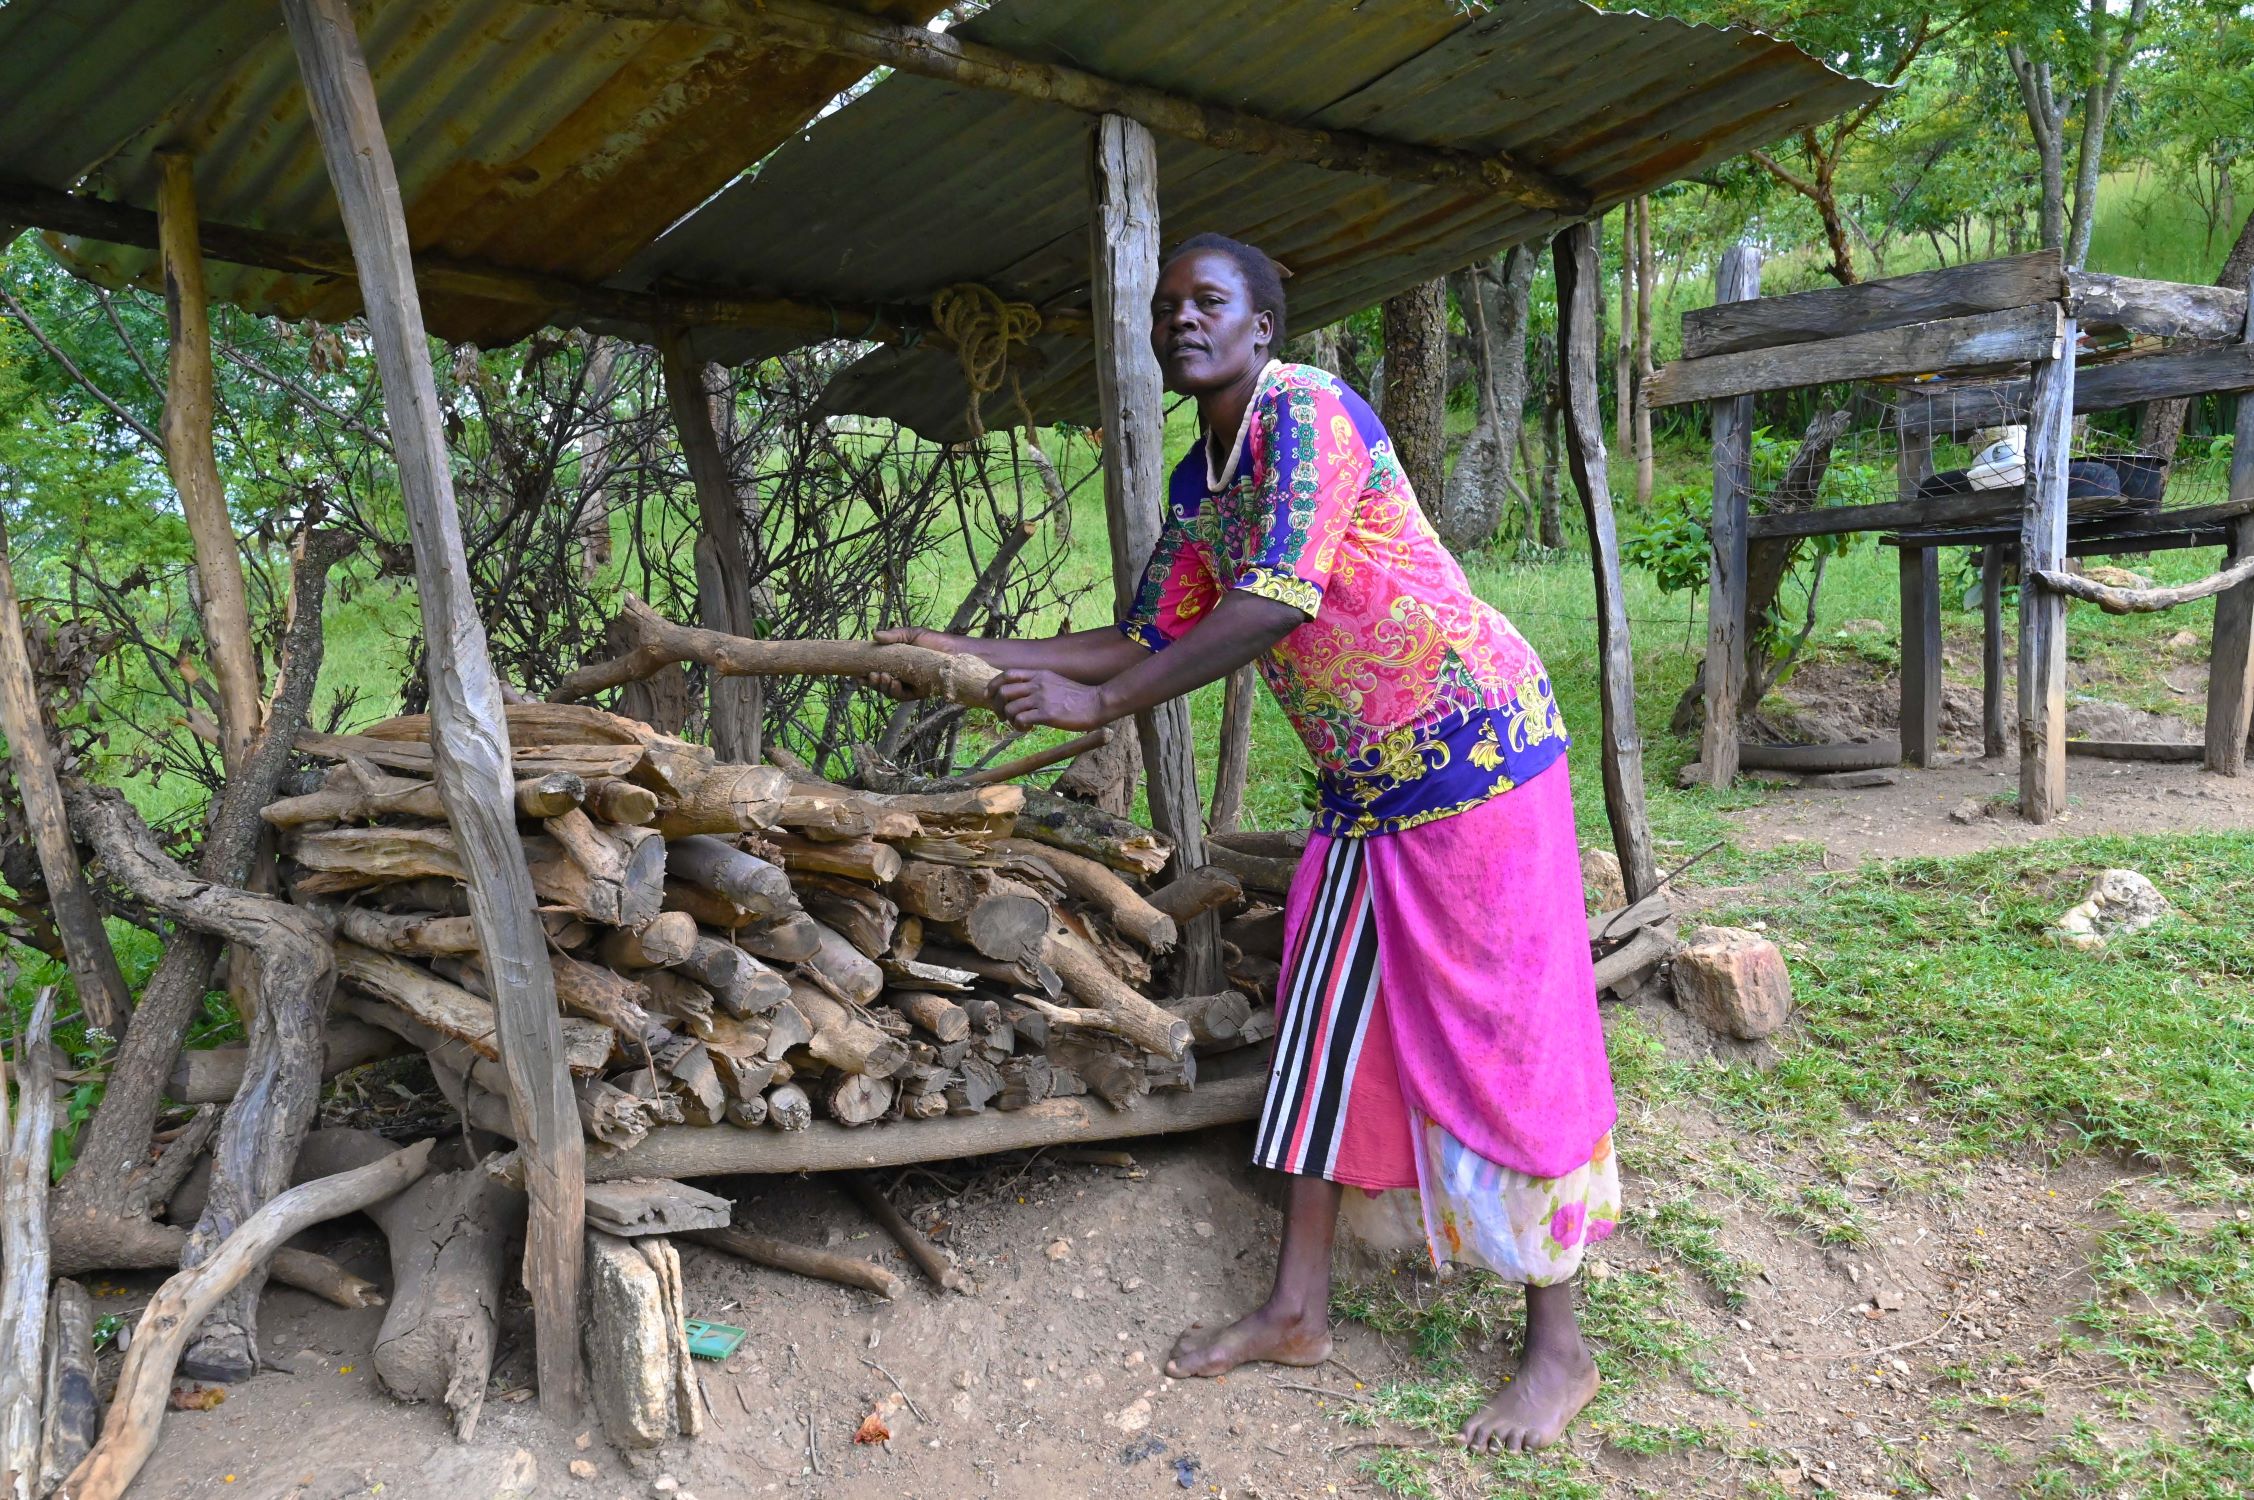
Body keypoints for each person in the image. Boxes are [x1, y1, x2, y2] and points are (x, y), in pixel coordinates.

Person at [874, 233, 1619, 1454]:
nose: (1180, 321)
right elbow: (1134, 637)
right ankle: (1294, 1311)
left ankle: (1559, 1347)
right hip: (1366, 790)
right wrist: (970, 659)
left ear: (1262, 326)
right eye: (1165, 307)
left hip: (1479, 755)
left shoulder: (1307, 414)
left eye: (1205, 302)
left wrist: (1098, 709)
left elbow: (1274, 600)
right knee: (1322, 1034)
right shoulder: (1197, 482)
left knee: (1510, 1030)